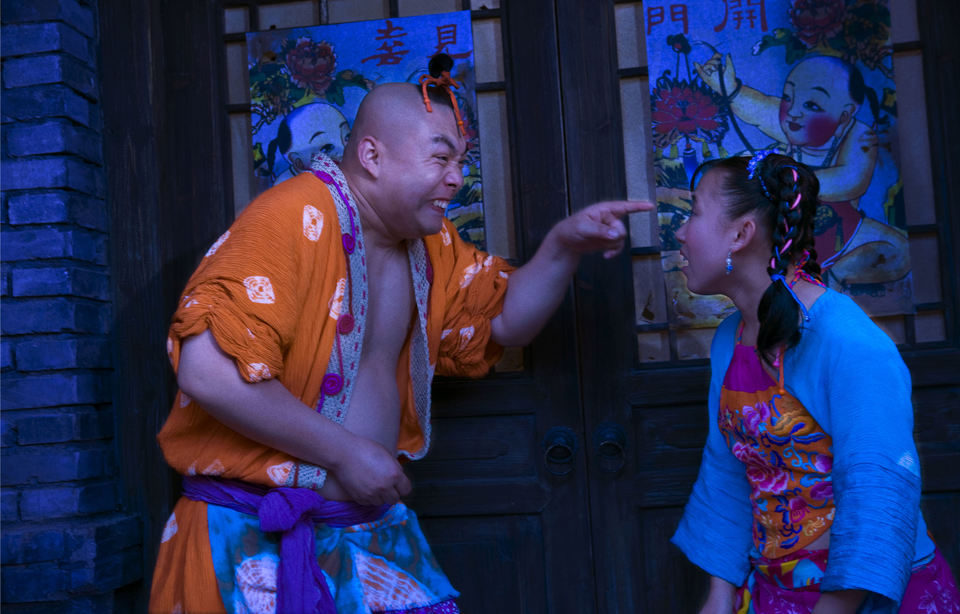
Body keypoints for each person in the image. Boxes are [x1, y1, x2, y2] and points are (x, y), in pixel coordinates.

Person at [148, 79, 650, 614]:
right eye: (440, 159)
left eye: (461, 162)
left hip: (366, 531)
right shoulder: (289, 216)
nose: (456, 178)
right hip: (248, 534)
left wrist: (562, 247)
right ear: (372, 156)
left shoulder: (429, 244)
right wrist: (344, 453)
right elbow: (207, 371)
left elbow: (503, 320)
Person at [671, 151, 960, 613]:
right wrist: (719, 595)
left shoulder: (846, 340)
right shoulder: (729, 339)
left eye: (694, 213)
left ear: (741, 234)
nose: (681, 232)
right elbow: (726, 469)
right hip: (774, 592)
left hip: (862, 599)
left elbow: (876, 488)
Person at [694, 53, 909, 288]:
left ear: (844, 116)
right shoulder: (793, 122)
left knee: (898, 250)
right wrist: (730, 89)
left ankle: (835, 276)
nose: (794, 111)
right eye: (788, 97)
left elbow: (850, 180)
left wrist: (785, 179)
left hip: (842, 231)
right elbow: (759, 109)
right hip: (785, 235)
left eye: (812, 105)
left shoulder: (858, 136)